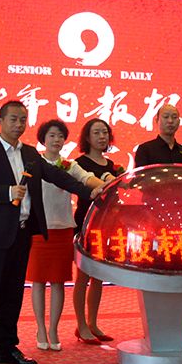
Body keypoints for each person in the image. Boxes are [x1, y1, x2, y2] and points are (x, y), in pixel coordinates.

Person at [0, 101, 94, 364]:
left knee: (13, 294)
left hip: (23, 234)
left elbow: (57, 176)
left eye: (23, 119)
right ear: (0, 121)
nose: (18, 124)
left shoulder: (31, 154)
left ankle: (8, 347)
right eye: (13, 119)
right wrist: (7, 192)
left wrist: (88, 192)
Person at [27, 120, 104, 352]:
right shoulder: (33, 163)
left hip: (63, 229)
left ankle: (53, 329)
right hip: (38, 229)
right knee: (38, 281)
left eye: (60, 136)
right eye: (51, 135)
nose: (56, 140)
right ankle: (41, 329)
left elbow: (87, 178)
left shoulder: (69, 165)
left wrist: (104, 185)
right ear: (43, 139)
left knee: (58, 281)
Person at [73, 118, 118, 344]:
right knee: (82, 276)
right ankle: (81, 325)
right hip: (85, 222)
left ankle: (93, 323)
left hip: (105, 224)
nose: (102, 137)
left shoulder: (111, 165)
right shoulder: (78, 163)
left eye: (105, 133)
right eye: (97, 133)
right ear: (87, 137)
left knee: (98, 277)